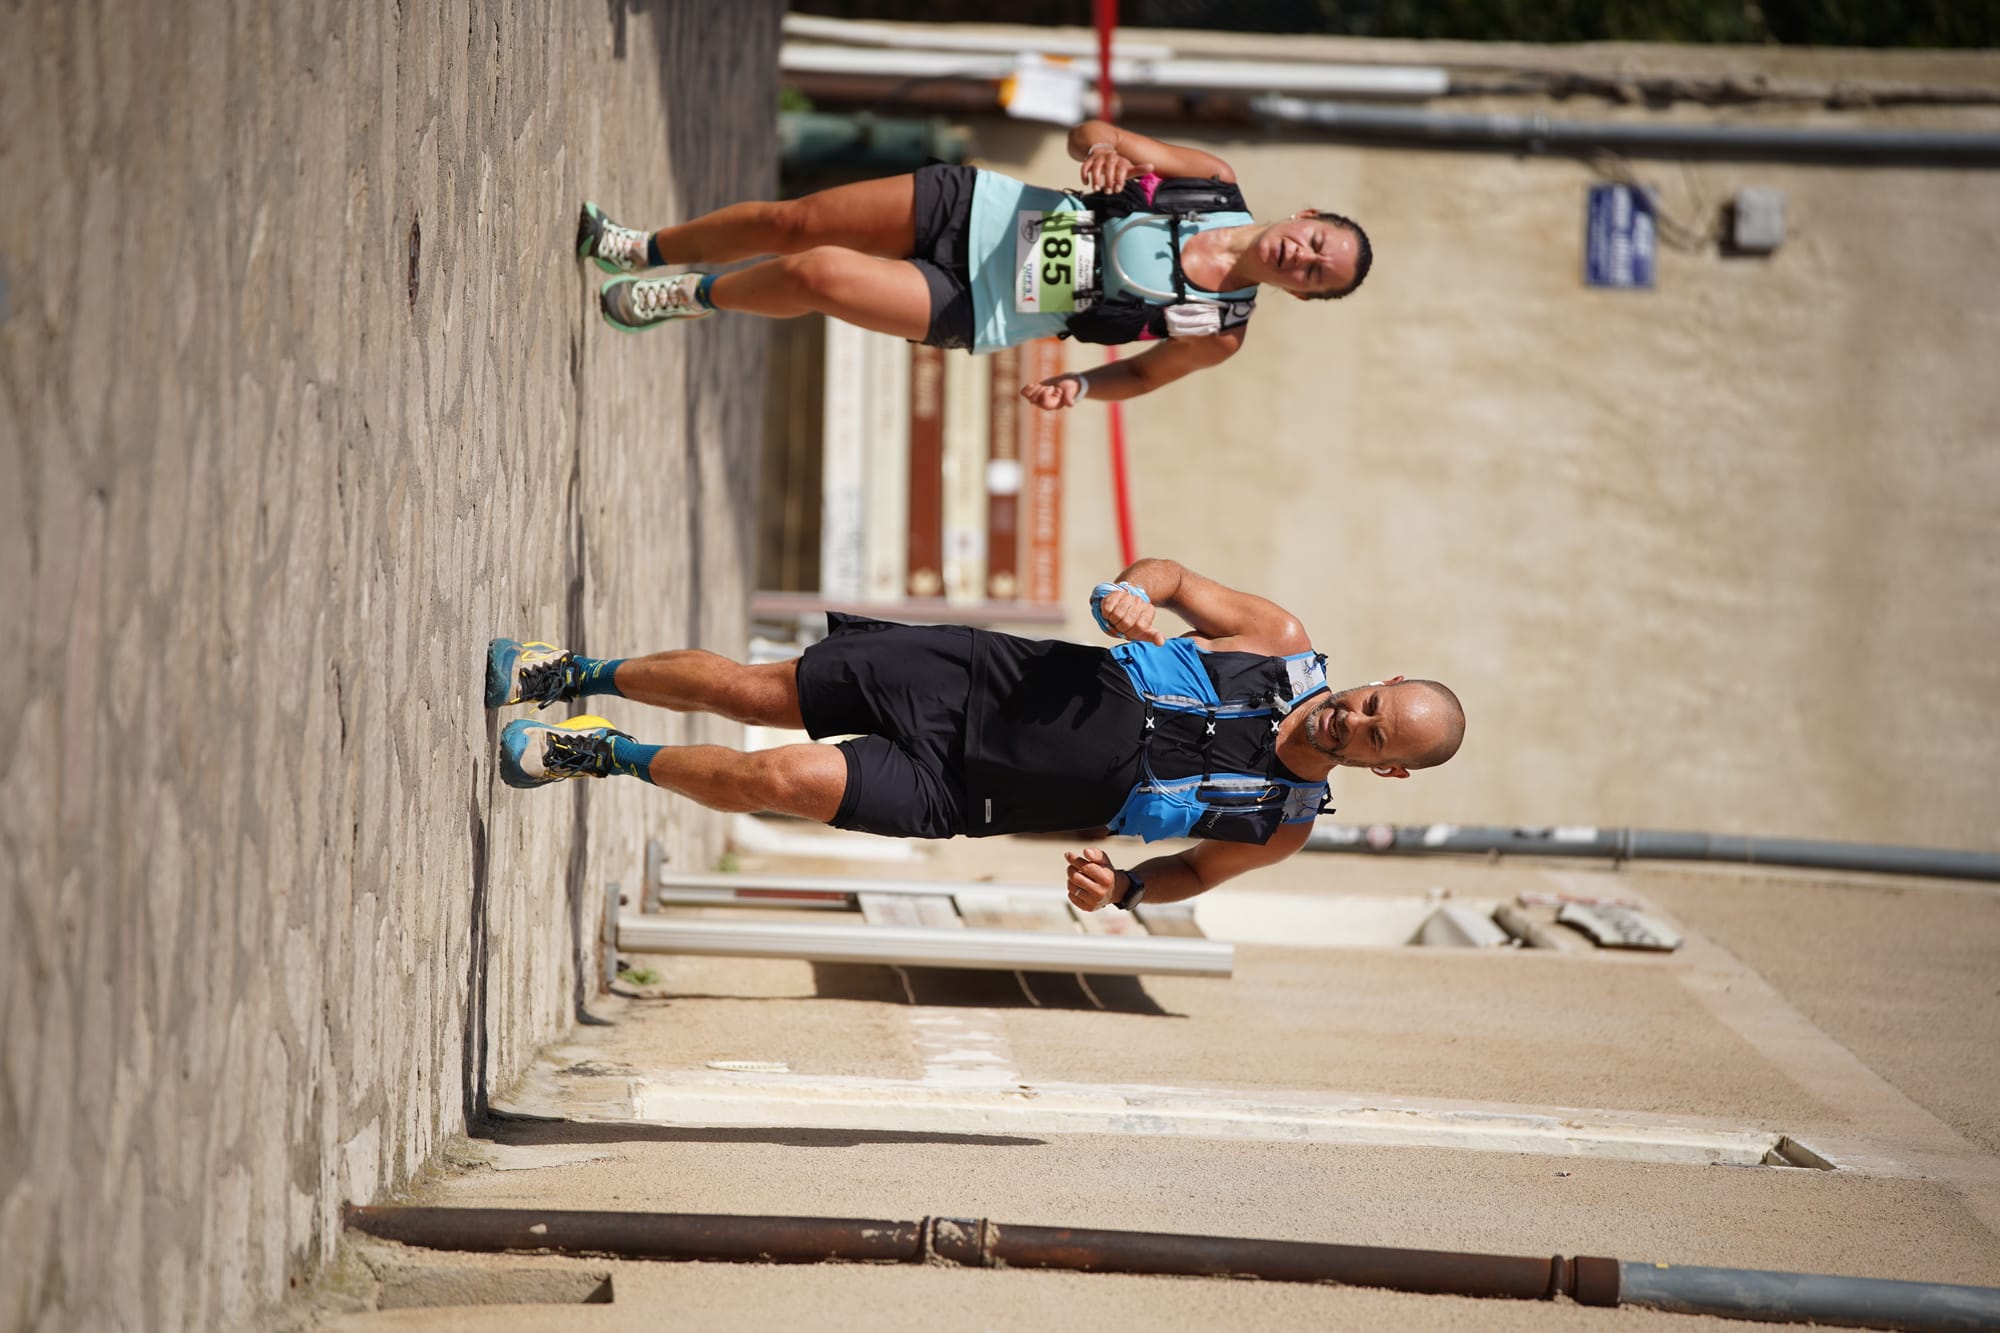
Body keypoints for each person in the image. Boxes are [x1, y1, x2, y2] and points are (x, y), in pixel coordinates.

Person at [485, 559, 1462, 911]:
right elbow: (1162, 578)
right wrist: (1127, 594)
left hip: (974, 797)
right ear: (1376, 683)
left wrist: (1120, 887)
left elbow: (1193, 876)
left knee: (773, 780)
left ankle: (596, 751)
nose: (1354, 718)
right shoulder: (1276, 644)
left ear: (1387, 770)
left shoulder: (1282, 819)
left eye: (1377, 736)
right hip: (974, 678)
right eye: (1373, 701)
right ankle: (570, 670)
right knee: (750, 691)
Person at [575, 120, 1372, 413]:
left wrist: (1081, 386)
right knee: (797, 221)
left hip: (986, 304)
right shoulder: (1213, 179)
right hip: (980, 208)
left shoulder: (1220, 330)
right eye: (1315, 243)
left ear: (1302, 295)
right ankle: (645, 247)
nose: (1301, 258)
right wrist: (1100, 148)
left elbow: (1140, 377)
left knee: (817, 274)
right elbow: (1089, 131)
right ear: (1303, 217)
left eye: (1314, 275)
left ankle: (695, 295)